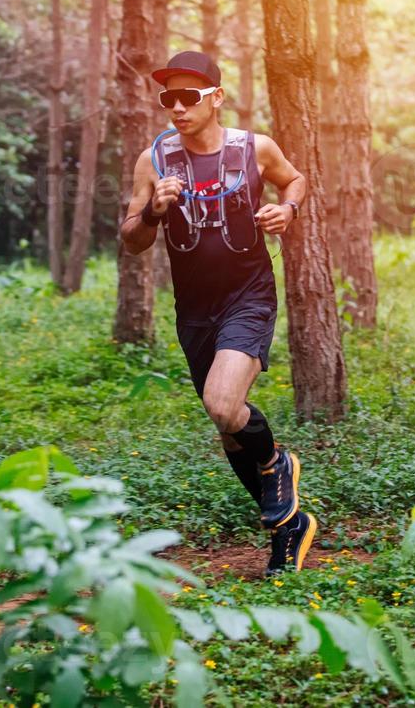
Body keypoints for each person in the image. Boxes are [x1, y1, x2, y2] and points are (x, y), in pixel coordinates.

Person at [120, 50, 317, 578]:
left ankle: (278, 463)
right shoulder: (154, 160)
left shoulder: (254, 148)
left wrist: (288, 209)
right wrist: (154, 210)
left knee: (223, 404)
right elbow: (132, 241)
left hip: (248, 297)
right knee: (228, 426)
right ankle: (288, 531)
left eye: (190, 97)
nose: (178, 108)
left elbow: (294, 180)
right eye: (169, 99)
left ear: (216, 98)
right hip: (195, 311)